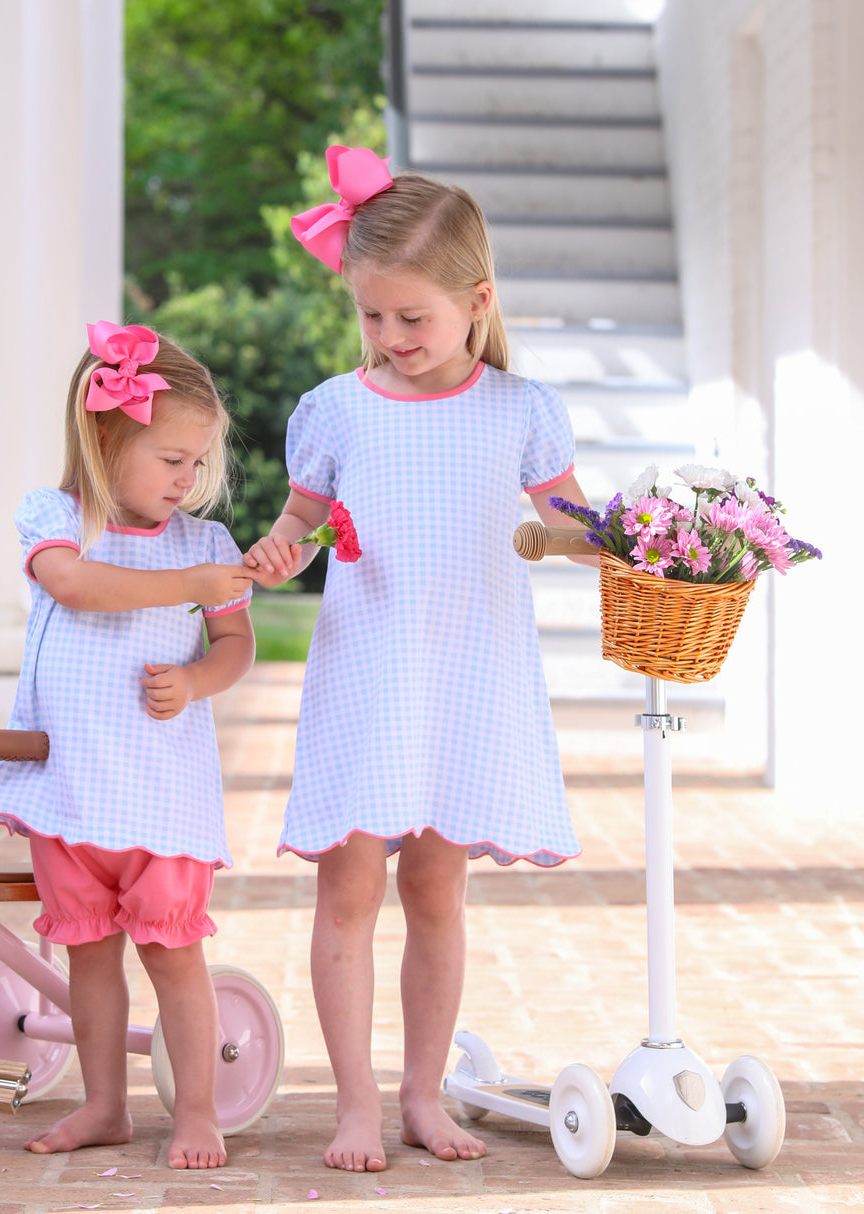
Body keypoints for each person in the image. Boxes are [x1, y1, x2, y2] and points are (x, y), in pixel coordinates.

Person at [244, 146, 597, 1173]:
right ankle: (352, 1102)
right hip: (369, 673)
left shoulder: (519, 411)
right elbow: (300, 524)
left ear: (475, 301)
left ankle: (420, 1092)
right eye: (371, 318)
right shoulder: (335, 410)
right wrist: (278, 551)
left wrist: (634, 538)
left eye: (413, 318)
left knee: (436, 891)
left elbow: (569, 520)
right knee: (347, 893)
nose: (390, 339)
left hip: (470, 678)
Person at [0, 321, 260, 1169]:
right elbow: (77, 587)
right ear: (106, 437)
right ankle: (104, 1106)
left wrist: (199, 681)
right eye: (172, 459)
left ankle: (198, 1111)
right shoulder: (57, 518)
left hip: (160, 796)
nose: (189, 480)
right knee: (89, 958)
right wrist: (190, 589)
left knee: (174, 957)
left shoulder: (206, 544)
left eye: (198, 462)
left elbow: (236, 643)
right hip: (73, 794)